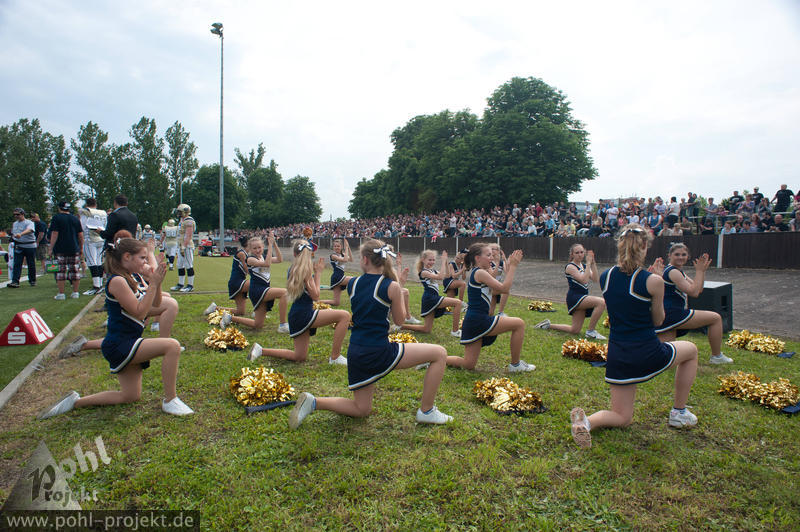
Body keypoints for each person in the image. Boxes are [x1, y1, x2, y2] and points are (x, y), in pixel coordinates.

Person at [288, 239, 452, 428]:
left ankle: (314, 402)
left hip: (356, 352)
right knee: (439, 353)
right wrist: (398, 288)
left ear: (365, 260)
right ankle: (427, 411)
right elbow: (399, 321)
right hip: (378, 351)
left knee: (362, 409)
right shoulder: (391, 286)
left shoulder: (353, 283)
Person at [569, 224, 699, 449]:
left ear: (620, 245)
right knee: (692, 351)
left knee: (622, 417)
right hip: (647, 351)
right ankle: (679, 412)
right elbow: (658, 320)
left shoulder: (606, 276)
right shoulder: (653, 281)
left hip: (618, 355)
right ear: (645, 246)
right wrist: (657, 284)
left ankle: (586, 422)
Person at [39, 237, 193, 419]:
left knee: (130, 396)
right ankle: (170, 400)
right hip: (120, 344)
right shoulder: (117, 281)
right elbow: (139, 313)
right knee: (172, 346)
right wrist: (152, 284)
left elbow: (156, 303)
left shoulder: (131, 277)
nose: (145, 262)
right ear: (127, 257)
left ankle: (75, 402)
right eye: (142, 258)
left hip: (127, 341)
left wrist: (156, 283)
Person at [249, 240, 350, 364]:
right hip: (304, 314)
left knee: (299, 356)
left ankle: (260, 350)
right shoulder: (305, 271)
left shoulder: (292, 269)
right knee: (344, 316)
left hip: (296, 315)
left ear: (294, 253)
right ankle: (335, 357)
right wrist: (318, 273)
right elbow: (316, 296)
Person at [447, 243, 534, 372]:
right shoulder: (480, 273)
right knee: (519, 324)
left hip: (473, 321)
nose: (491, 258)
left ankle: (434, 359)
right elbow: (504, 289)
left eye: (492, 255)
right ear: (477, 258)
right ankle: (515, 365)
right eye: (488, 255)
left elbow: (496, 289)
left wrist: (504, 264)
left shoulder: (480, 272)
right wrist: (513, 266)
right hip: (479, 320)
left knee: (468, 364)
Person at [654, 243, 732, 365]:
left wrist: (702, 271)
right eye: (677, 254)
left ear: (688, 256)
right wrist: (699, 271)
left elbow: (698, 289)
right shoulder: (673, 272)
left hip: (667, 315)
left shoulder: (677, 271)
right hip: (672, 314)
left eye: (683, 254)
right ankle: (717, 357)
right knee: (715, 318)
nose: (680, 257)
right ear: (669, 255)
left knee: (666, 357)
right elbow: (693, 293)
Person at [534, 244, 607, 340]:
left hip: (582, 297)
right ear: (572, 254)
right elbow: (584, 280)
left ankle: (547, 325)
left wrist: (593, 264)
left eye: (582, 252)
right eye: (577, 253)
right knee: (601, 302)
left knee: (575, 330)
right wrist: (588, 264)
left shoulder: (584, 266)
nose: (580, 255)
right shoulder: (570, 267)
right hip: (575, 297)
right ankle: (591, 331)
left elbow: (595, 279)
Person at [221, 234, 289, 332]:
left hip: (263, 289)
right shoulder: (250, 259)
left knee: (257, 324)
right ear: (250, 249)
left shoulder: (263, 257)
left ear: (263, 247)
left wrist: (274, 243)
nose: (257, 250)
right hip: (257, 290)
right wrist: (270, 245)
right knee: (284, 293)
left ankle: (229, 318)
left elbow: (279, 259)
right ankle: (283, 325)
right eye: (254, 248)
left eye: (259, 247)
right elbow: (267, 264)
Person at [400, 250, 462, 337]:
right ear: (423, 260)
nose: (432, 262)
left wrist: (446, 262)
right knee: (458, 303)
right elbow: (440, 277)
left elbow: (447, 276)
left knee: (426, 329)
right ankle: (455, 331)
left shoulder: (433, 271)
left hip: (431, 299)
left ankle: (401, 326)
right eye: (429, 260)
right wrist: (443, 261)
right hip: (430, 298)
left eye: (433, 260)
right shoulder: (424, 272)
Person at [203, 235, 250, 318]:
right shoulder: (242, 254)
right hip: (237, 282)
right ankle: (259, 310)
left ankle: (215, 308)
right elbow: (248, 270)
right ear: (248, 243)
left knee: (240, 311)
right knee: (257, 284)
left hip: (238, 281)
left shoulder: (245, 253)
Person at [47, 201, 85, 300]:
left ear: (59, 208)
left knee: (61, 271)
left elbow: (55, 233)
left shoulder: (56, 218)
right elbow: (80, 235)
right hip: (74, 247)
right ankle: (75, 292)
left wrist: (50, 248)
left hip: (60, 248)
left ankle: (61, 293)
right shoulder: (75, 219)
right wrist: (81, 247)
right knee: (75, 270)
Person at [79, 198, 108, 295]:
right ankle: (100, 284)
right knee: (99, 262)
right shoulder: (102, 212)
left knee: (92, 262)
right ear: (96, 204)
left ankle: (96, 286)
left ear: (87, 204)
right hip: (101, 238)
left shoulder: (86, 212)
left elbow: (82, 226)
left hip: (90, 238)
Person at [9, 207, 37, 288]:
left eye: (17, 214)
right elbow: (14, 233)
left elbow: (30, 230)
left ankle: (32, 280)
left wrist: (21, 234)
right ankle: (15, 281)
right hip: (19, 245)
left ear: (22, 214)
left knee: (31, 264)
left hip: (29, 246)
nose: (16, 216)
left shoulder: (29, 222)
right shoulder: (15, 224)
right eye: (14, 215)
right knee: (17, 264)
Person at [170, 204, 196, 292]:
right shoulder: (183, 220)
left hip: (187, 246)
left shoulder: (189, 221)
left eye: (180, 212)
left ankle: (190, 285)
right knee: (180, 265)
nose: (179, 213)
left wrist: (183, 247)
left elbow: (188, 235)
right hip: (181, 245)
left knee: (188, 265)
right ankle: (180, 284)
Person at [320, 238, 353, 306]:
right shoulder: (333, 255)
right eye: (335, 246)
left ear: (341, 247)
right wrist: (346, 248)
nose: (336, 247)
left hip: (338, 277)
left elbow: (351, 259)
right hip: (337, 277)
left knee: (336, 302)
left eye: (338, 246)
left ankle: (315, 302)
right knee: (354, 280)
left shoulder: (343, 254)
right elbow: (345, 260)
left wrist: (348, 247)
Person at [488, 244, 509, 316]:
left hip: (496, 286)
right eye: (491, 249)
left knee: (491, 313)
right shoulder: (488, 261)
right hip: (488, 287)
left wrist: (505, 259)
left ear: (498, 251)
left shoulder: (501, 262)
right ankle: (500, 312)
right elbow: (492, 276)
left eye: (494, 249)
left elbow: (508, 273)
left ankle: (500, 312)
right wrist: (497, 263)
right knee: (505, 291)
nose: (492, 250)